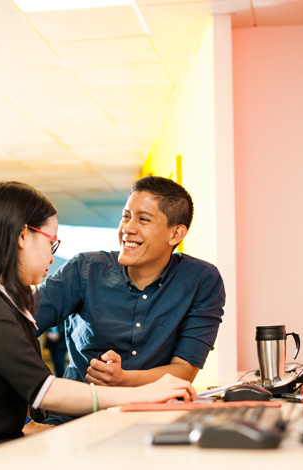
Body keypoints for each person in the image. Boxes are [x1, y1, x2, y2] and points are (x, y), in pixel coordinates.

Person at [0, 181, 196, 464]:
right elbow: (44, 390)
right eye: (50, 242)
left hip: (1, 451)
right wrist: (146, 394)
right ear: (23, 236)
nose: (53, 256)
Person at [34, 175, 226, 425]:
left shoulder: (202, 280)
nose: (127, 228)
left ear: (175, 234)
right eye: (126, 216)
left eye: (143, 219)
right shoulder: (84, 269)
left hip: (154, 418)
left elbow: (184, 370)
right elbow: (14, 326)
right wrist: (31, 398)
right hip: (77, 418)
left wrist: (123, 379)